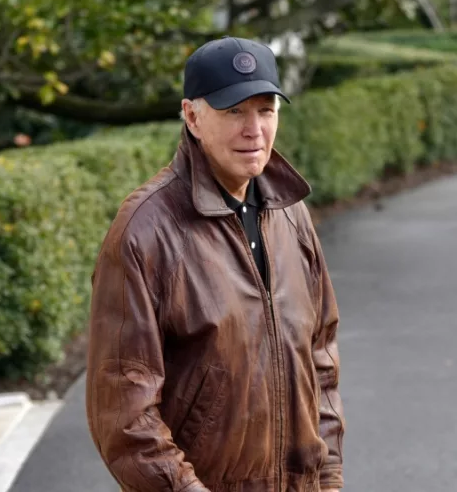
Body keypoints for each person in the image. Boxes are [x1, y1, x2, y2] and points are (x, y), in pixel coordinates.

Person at [86, 35, 345, 492]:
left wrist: (327, 477)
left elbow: (320, 360)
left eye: (266, 110)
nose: (254, 129)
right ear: (192, 116)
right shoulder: (145, 232)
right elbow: (124, 411)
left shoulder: (291, 214)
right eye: (234, 111)